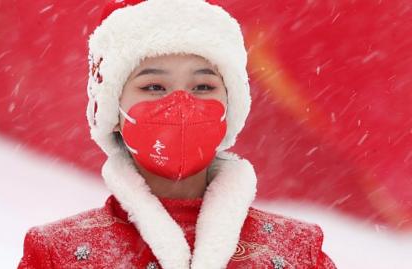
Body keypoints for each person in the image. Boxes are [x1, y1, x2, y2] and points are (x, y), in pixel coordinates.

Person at [17, 0, 336, 268]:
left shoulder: (297, 251)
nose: (181, 104)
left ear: (231, 106)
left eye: (203, 86)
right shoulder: (57, 252)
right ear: (112, 110)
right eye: (154, 87)